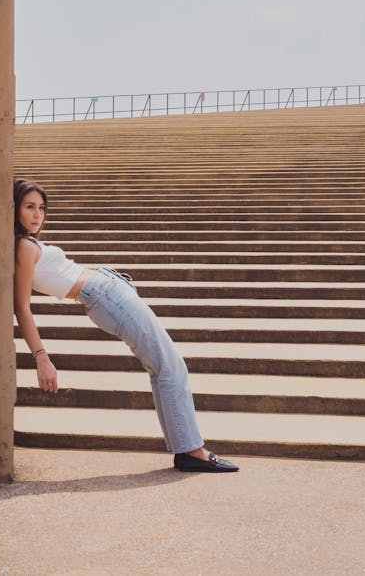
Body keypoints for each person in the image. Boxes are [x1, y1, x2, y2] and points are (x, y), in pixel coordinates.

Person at [13, 178, 239, 473]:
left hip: (110, 289)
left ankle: (187, 449)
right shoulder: (23, 248)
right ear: (13, 208)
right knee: (170, 366)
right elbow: (21, 306)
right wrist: (41, 357)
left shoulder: (28, 244)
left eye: (41, 208)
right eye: (29, 207)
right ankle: (192, 452)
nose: (37, 214)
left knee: (165, 367)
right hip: (105, 296)